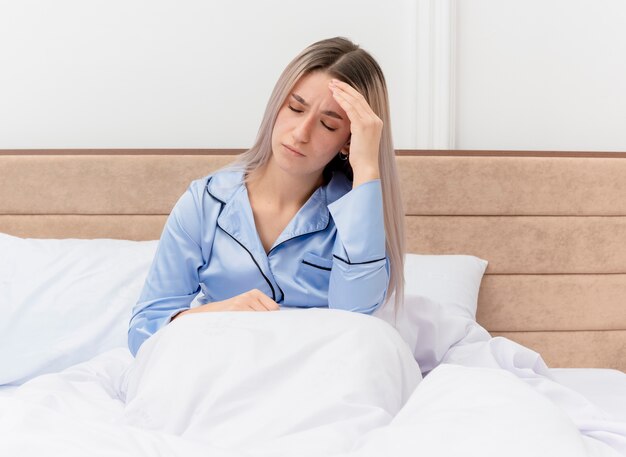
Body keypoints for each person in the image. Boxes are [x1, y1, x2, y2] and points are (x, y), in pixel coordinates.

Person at [128, 37, 405, 357]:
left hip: (316, 378)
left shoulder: (356, 214)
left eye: (328, 125)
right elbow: (143, 331)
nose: (300, 133)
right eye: (295, 108)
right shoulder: (205, 203)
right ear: (276, 105)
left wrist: (368, 168)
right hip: (214, 372)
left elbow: (357, 320)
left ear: (349, 141)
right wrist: (220, 313)